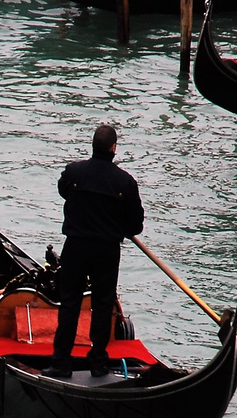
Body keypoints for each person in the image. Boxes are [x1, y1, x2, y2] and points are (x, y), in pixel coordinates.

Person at [45, 124, 144, 380]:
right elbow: (136, 225)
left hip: (76, 247)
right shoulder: (126, 182)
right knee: (102, 306)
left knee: (70, 305)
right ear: (114, 148)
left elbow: (63, 192)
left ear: (93, 145)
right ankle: (98, 364)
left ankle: (61, 364)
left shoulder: (74, 172)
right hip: (106, 251)